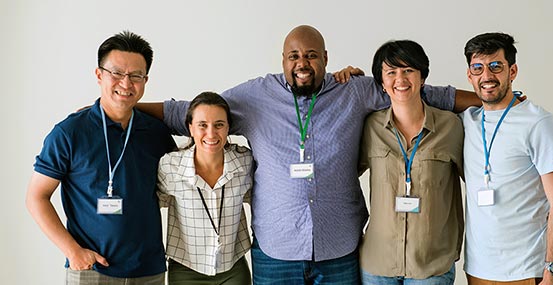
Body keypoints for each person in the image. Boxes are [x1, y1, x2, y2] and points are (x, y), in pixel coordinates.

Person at [138, 25, 477, 284]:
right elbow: (187, 112)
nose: (303, 63)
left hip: (339, 248)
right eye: (294, 56)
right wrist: (123, 109)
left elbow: (425, 92)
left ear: (326, 58)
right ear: (283, 60)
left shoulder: (353, 91)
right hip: (276, 250)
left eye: (312, 55)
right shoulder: (255, 97)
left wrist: (491, 101)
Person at [25, 31, 176, 284]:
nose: (126, 83)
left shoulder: (156, 133)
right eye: (116, 73)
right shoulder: (69, 132)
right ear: (99, 75)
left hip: (150, 270)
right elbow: (36, 197)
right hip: (92, 268)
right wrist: (72, 251)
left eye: (135, 76)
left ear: (145, 80)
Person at [460, 32, 553, 285]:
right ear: (469, 75)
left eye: (495, 66)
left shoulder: (537, 122)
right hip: (477, 269)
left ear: (513, 71)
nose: (486, 76)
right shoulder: (468, 120)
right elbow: (422, 95)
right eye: (477, 68)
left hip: (524, 268)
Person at [358, 40, 463, 284]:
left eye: (408, 70)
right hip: (377, 265)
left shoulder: (451, 126)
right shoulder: (369, 127)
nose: (400, 79)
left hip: (431, 265)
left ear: (422, 77)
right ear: (382, 83)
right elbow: (343, 174)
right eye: (391, 72)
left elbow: (479, 180)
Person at [157, 92, 253, 284]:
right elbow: (150, 206)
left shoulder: (245, 162)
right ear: (190, 128)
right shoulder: (170, 167)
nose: (211, 133)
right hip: (186, 268)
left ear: (228, 128)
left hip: (233, 267)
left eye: (219, 125)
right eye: (203, 125)